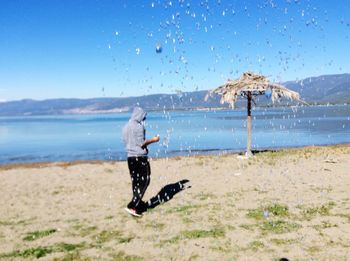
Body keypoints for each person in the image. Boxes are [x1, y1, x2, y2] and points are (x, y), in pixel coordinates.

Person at [122, 107, 160, 217]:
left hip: (130, 158)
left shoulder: (125, 126)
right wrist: (154, 139)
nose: (145, 118)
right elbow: (142, 143)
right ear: (139, 115)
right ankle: (133, 205)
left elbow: (127, 142)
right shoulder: (138, 127)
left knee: (136, 182)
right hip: (140, 158)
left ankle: (137, 203)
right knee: (145, 181)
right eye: (144, 116)